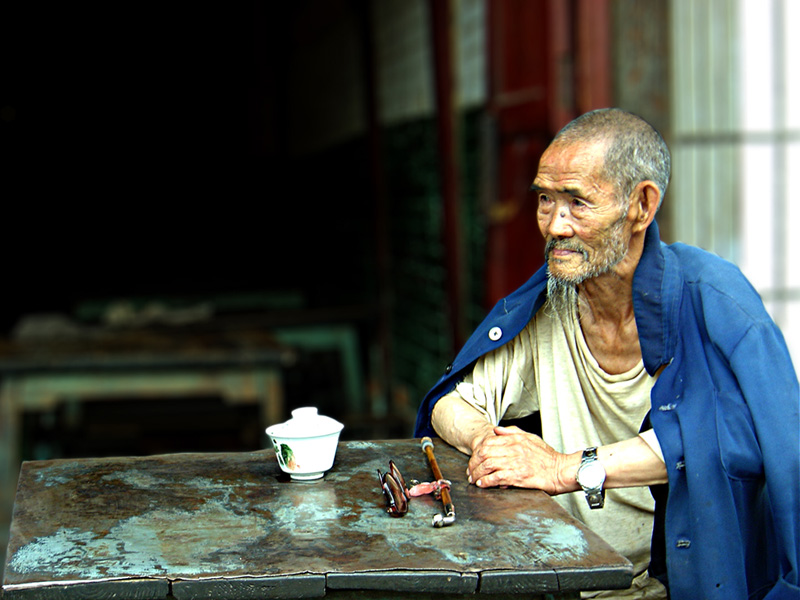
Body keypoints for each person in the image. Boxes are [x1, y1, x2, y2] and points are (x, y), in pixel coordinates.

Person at [414, 108, 799, 600]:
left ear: (641, 205)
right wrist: (497, 447)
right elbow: (450, 401)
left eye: (577, 202)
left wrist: (561, 467)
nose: (555, 225)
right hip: (572, 583)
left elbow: (720, 439)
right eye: (545, 200)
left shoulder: (711, 299)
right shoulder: (551, 301)